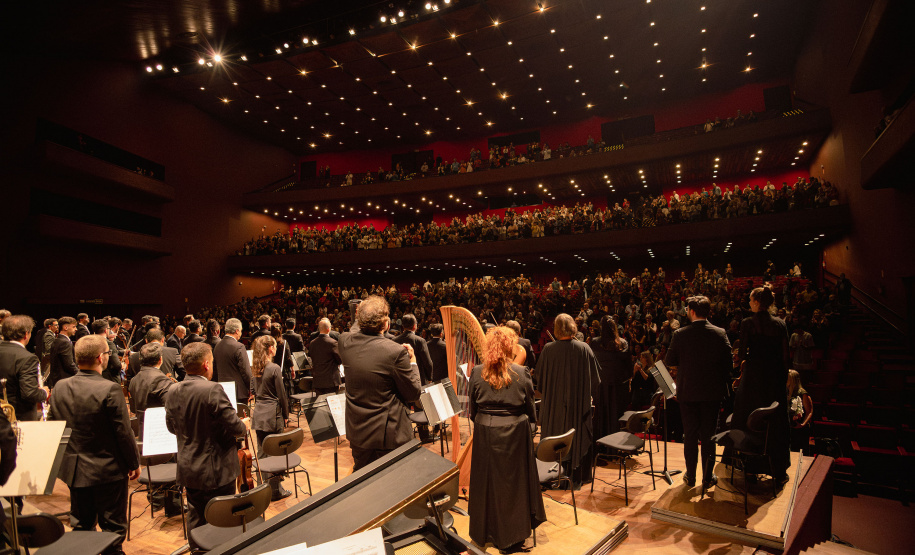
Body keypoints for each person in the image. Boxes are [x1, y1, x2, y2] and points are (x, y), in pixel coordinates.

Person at [49, 334, 140, 554]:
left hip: (74, 470)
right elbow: (123, 433)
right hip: (107, 470)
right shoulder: (109, 388)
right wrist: (134, 462)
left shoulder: (59, 387)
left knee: (81, 527)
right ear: (101, 357)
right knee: (113, 530)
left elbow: (54, 427)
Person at [468, 326, 545, 552]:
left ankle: (486, 532)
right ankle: (512, 538)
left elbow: (472, 411)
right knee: (513, 487)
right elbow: (532, 412)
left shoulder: (476, 372)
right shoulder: (521, 373)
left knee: (487, 484)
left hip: (485, 433)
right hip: (514, 435)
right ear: (510, 347)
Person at [165, 342, 247, 548]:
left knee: (196, 516)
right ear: (206, 365)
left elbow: (171, 427)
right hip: (217, 468)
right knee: (223, 516)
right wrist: (244, 424)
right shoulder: (212, 389)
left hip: (188, 467)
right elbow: (236, 427)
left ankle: (197, 551)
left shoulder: (172, 390)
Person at [339, 296, 422, 471]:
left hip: (358, 435)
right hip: (388, 437)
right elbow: (414, 394)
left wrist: (360, 313)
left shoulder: (344, 342)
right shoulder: (395, 352)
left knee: (362, 484)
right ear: (386, 323)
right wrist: (413, 361)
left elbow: (355, 329)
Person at [665, 295, 732, 491]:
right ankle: (708, 477)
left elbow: (670, 360)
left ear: (692, 311)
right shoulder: (720, 333)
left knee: (691, 436)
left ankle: (691, 476)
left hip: (688, 394)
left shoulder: (680, 334)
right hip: (712, 394)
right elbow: (729, 364)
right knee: (709, 436)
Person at [733, 286, 791, 485]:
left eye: (750, 300)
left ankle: (749, 468)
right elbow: (785, 357)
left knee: (748, 419)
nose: (749, 303)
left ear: (757, 301)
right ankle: (778, 470)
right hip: (774, 379)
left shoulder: (748, 323)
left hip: (754, 379)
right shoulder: (781, 324)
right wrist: (781, 383)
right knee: (774, 421)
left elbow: (741, 354)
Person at [535, 313, 601, 484]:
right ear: (573, 327)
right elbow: (595, 381)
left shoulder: (548, 350)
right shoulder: (584, 349)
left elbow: (539, 382)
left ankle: (552, 475)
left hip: (554, 408)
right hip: (577, 410)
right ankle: (576, 475)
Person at [250, 336, 291, 500]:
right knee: (275, 454)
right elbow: (282, 395)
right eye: (274, 346)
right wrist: (286, 415)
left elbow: (253, 391)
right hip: (273, 415)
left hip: (259, 415)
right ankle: (275, 491)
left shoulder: (256, 368)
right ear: (270, 349)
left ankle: (262, 490)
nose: (276, 349)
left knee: (262, 453)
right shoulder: (274, 368)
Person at [0, 315, 50, 421]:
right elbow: (30, 394)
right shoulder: (27, 358)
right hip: (17, 418)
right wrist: (44, 392)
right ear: (26, 334)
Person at [589, 315, 630, 438]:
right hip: (618, 387)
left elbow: (591, 365)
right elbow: (628, 369)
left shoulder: (595, 343)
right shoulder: (623, 344)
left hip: (600, 387)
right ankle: (616, 446)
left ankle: (600, 445)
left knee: (601, 416)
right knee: (616, 416)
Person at [128, 342, 173, 438]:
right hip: (160, 433)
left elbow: (133, 408)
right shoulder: (161, 380)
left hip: (142, 432)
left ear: (141, 359)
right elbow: (171, 409)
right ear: (160, 360)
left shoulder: (133, 380)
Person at [213, 318, 252, 404]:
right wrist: (251, 388)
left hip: (222, 390)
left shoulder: (217, 346)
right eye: (241, 331)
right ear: (237, 331)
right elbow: (246, 371)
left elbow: (215, 371)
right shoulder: (239, 346)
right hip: (239, 392)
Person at [393, 313, 433, 385]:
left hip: (400, 378)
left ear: (403, 326)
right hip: (418, 378)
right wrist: (430, 378)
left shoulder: (394, 340)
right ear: (415, 326)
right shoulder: (420, 341)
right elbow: (427, 363)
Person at [308, 318, 342, 395]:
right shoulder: (333, 343)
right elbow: (340, 360)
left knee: (320, 405)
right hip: (331, 380)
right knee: (332, 405)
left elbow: (312, 358)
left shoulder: (312, 343)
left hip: (318, 381)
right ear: (328, 329)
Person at [48, 316, 79, 387]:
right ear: (65, 327)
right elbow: (69, 364)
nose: (76, 329)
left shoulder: (58, 340)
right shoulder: (64, 342)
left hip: (58, 380)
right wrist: (80, 374)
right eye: (74, 327)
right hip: (64, 380)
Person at [787, 369, 813, 452]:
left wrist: (802, 424)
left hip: (799, 428)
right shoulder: (786, 391)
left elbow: (809, 411)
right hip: (789, 427)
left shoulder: (802, 393)